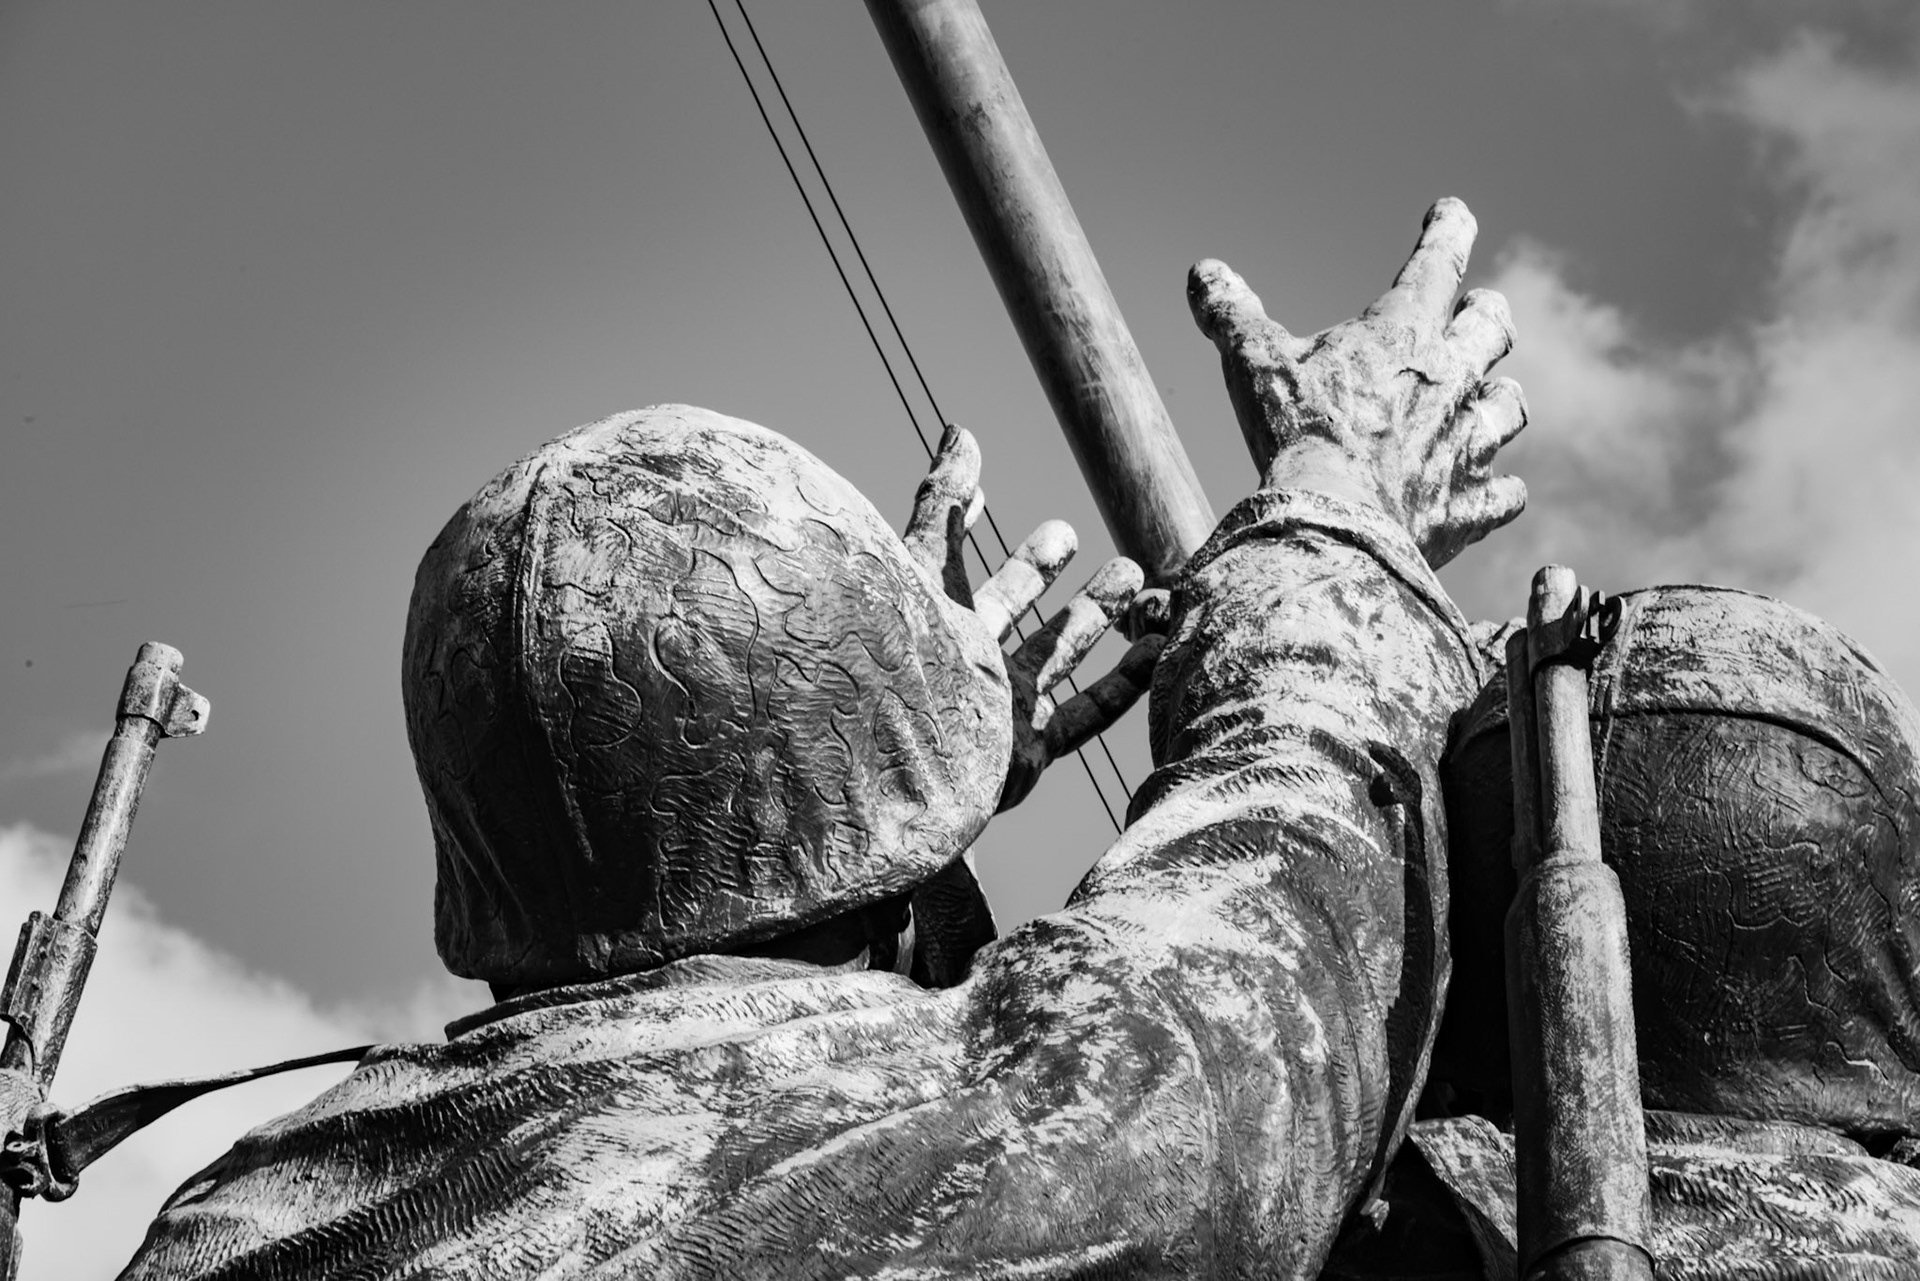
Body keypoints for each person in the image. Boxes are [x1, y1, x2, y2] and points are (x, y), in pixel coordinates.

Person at [119, 198, 1529, 1279]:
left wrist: (892, 763)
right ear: (897, 910)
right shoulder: (929, 1158)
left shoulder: (243, 1209)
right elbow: (1272, 955)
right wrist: (1343, 502)